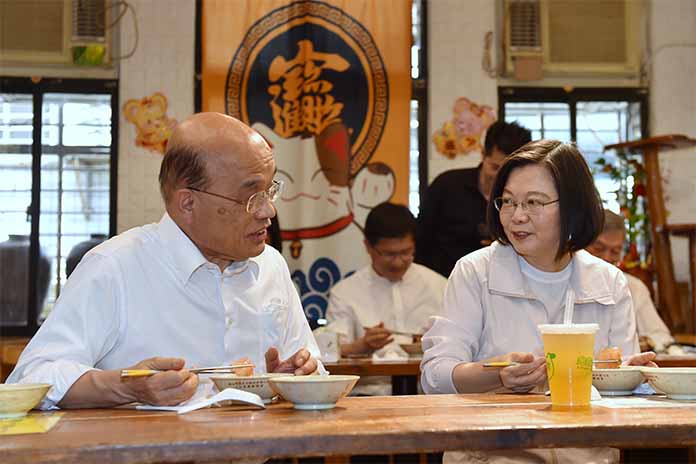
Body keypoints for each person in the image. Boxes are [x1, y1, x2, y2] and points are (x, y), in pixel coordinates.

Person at [8, 113, 321, 409]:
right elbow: (33, 376)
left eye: (270, 191)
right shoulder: (115, 266)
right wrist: (124, 386)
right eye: (252, 197)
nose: (268, 211)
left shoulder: (271, 265)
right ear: (188, 203)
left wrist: (292, 379)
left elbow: (312, 365)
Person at [420, 140, 656, 464]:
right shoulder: (475, 272)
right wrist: (497, 375)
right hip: (492, 456)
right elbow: (435, 377)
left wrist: (635, 377)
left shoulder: (608, 281)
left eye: (534, 202)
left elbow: (619, 383)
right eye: (508, 201)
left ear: (573, 207)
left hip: (586, 456)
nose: (517, 216)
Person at [326, 202, 446, 395]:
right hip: (368, 395)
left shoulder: (439, 286)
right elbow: (331, 353)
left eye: (406, 252)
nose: (398, 262)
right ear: (368, 246)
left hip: (426, 395)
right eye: (389, 254)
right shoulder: (345, 292)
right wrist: (362, 345)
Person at [415, 121, 532, 277]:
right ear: (483, 154)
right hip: (443, 280)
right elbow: (421, 238)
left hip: (502, 283)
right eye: (495, 167)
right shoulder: (447, 186)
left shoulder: (528, 199)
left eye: (509, 170)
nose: (500, 177)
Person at [587, 209, 675, 352]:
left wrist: (645, 343)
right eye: (598, 248)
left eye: (615, 251)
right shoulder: (563, 279)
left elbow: (661, 336)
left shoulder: (632, 286)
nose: (606, 258)